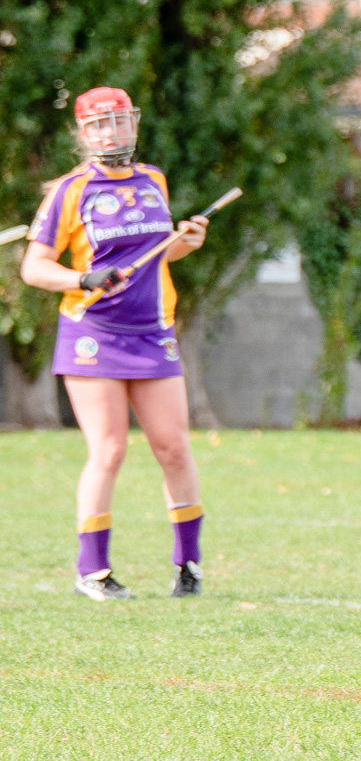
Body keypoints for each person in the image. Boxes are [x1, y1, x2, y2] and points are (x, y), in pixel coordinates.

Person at [21, 87, 210, 601]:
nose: (113, 131)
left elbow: (157, 254)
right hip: (92, 334)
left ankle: (188, 566)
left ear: (133, 124)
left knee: (173, 448)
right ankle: (94, 572)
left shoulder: (153, 180)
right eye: (101, 124)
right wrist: (83, 279)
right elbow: (34, 267)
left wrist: (187, 242)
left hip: (154, 330)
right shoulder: (70, 190)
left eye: (121, 121)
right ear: (84, 133)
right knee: (109, 450)